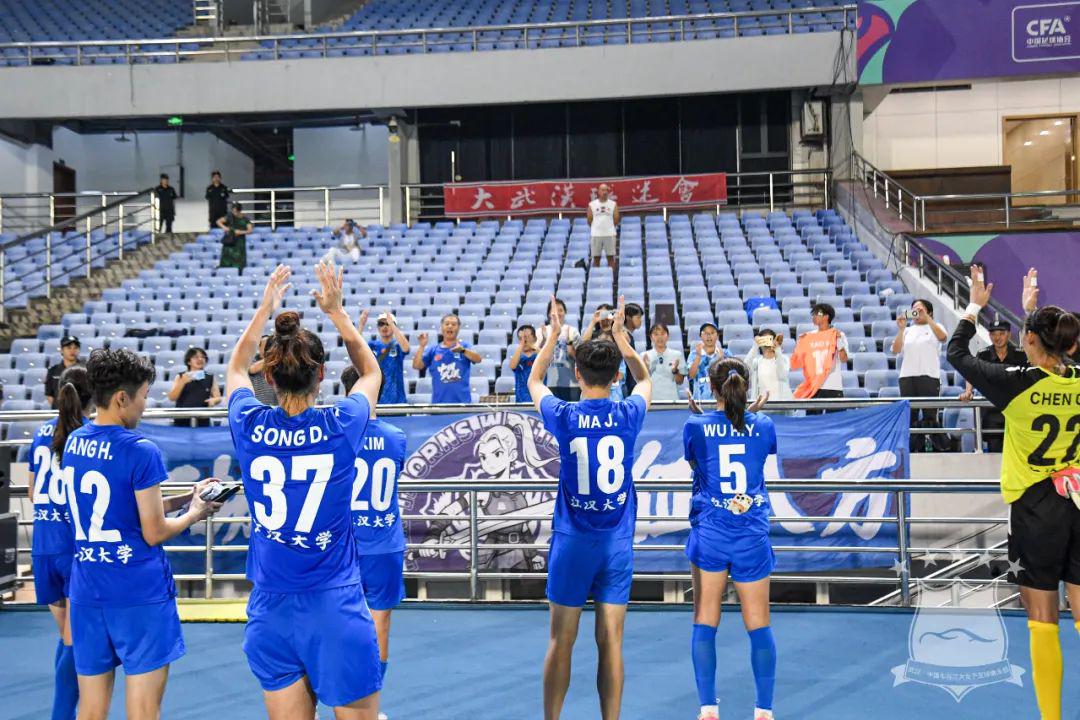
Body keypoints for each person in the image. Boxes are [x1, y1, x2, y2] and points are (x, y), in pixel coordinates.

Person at [226, 262, 384, 719]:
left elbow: (236, 368)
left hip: (270, 611)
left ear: (270, 378)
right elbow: (370, 374)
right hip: (335, 604)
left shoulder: (248, 424)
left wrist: (265, 310)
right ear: (322, 374)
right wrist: (337, 313)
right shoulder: (341, 424)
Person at [946, 266, 1080, 720]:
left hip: (1036, 508)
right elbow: (1056, 353)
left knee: (1043, 621)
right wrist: (1032, 313)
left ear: (1029, 340)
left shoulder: (1015, 383)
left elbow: (957, 352)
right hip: (1078, 500)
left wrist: (974, 306)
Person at [63, 349, 220, 720]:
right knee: (144, 711)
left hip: (87, 590)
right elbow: (154, 532)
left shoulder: (74, 442)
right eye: (144, 396)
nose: (145, 406)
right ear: (122, 397)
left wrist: (184, 498)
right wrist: (196, 512)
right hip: (137, 593)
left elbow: (122, 507)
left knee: (90, 710)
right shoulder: (140, 450)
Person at [529, 295, 652, 720]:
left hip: (572, 543)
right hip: (615, 545)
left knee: (560, 641)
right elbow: (645, 378)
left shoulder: (564, 415)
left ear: (578, 374)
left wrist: (551, 337)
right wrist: (622, 338)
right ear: (616, 377)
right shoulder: (629, 413)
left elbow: (535, 380)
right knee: (612, 642)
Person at [684, 358, 778, 720]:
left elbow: (699, 461)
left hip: (711, 532)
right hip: (750, 534)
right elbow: (750, 441)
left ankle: (708, 708)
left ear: (711, 387)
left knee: (705, 620)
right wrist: (750, 413)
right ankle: (763, 711)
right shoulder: (764, 424)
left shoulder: (695, 425)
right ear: (746, 386)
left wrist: (705, 417)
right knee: (759, 625)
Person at [340, 365, 406, 718]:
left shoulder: (337, 435)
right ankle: (371, 707)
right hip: (384, 543)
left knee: (333, 622)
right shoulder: (396, 437)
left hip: (343, 545)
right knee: (380, 623)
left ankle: (325, 699)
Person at [30, 366, 91, 720]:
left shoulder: (40, 431)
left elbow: (33, 490)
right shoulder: (87, 436)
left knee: (66, 636)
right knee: (75, 641)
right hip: (72, 545)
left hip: (42, 544)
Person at [959, 320, 1027, 452]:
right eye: (994, 334)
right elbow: (971, 373)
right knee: (994, 450)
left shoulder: (1020, 354)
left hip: (1015, 411)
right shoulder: (983, 354)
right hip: (991, 411)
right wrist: (968, 391)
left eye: (1001, 333)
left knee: (1017, 450)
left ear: (1009, 334)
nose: (997, 337)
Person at [892, 299, 948, 452]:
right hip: (907, 377)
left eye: (920, 309)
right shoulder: (908, 331)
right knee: (910, 415)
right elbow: (896, 350)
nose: (916, 312)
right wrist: (901, 329)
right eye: (914, 309)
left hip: (929, 376)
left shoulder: (935, 327)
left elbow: (943, 338)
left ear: (929, 312)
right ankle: (910, 449)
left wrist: (928, 318)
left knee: (930, 414)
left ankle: (933, 448)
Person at [413, 314, 481, 405]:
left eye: (453, 324)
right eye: (447, 324)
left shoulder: (465, 346)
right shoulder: (433, 350)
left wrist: (463, 350)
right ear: (441, 327)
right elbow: (417, 366)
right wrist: (421, 346)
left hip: (463, 404)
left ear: (458, 328)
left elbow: (478, 359)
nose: (450, 326)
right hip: (439, 405)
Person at [790, 303, 848, 407]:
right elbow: (798, 361)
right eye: (813, 314)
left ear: (827, 317)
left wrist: (839, 341)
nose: (814, 316)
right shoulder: (809, 336)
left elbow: (844, 359)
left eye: (817, 314)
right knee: (813, 417)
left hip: (833, 386)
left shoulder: (838, 335)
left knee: (836, 417)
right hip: (814, 387)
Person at [536, 298, 580, 402]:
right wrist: (544, 341)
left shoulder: (572, 331)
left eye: (560, 310)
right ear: (548, 314)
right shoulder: (541, 331)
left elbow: (580, 357)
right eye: (554, 310)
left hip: (571, 383)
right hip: (547, 383)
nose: (558, 313)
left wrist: (570, 344)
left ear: (565, 312)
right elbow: (537, 358)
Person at [166, 347, 221, 428]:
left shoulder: (210, 377)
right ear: (189, 361)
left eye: (203, 357)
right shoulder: (180, 376)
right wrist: (182, 383)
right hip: (182, 418)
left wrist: (214, 400)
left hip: (202, 418)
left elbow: (218, 397)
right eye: (196, 357)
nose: (200, 359)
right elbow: (172, 397)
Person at [365, 310, 410, 405]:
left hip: (397, 398)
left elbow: (406, 348)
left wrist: (392, 325)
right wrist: (361, 325)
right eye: (381, 324)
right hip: (377, 398)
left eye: (387, 324)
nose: (384, 327)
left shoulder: (398, 345)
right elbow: (357, 351)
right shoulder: (372, 345)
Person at [744, 329, 792, 404]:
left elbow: (782, 375)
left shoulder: (783, 359)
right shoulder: (756, 362)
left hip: (781, 404)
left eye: (769, 339)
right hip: (762, 405)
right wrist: (755, 347)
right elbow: (745, 368)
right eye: (764, 340)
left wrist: (777, 349)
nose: (767, 343)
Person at [642, 323, 686, 402]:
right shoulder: (644, 356)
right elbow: (641, 382)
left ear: (668, 336)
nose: (660, 337)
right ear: (651, 337)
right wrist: (646, 369)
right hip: (651, 400)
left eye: (662, 334)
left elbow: (680, 381)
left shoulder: (677, 355)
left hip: (671, 400)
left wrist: (675, 371)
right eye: (656, 334)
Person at [688, 322, 728, 401]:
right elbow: (691, 376)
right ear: (701, 336)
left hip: (721, 400)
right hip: (699, 400)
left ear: (717, 336)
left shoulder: (726, 353)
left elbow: (729, 376)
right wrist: (698, 356)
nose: (709, 336)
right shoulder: (693, 354)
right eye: (706, 333)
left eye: (712, 333)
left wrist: (722, 359)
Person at [587, 183, 619, 270]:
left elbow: (616, 219)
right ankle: (597, 277)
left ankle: (611, 277)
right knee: (596, 259)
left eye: (606, 190)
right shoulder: (592, 205)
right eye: (602, 190)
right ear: (598, 192)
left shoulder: (613, 204)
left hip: (610, 234)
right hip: (596, 235)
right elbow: (589, 220)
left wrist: (608, 227)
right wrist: (597, 228)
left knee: (611, 259)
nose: (605, 192)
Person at [45, 335, 82, 409]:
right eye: (69, 348)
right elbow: (49, 395)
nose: (72, 351)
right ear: (61, 350)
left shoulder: (85, 370)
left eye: (75, 348)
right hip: (59, 412)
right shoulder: (53, 371)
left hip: (80, 412)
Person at [217, 202, 253, 272]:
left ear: (239, 211)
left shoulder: (245, 219)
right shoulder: (229, 217)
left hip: (239, 242)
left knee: (239, 259)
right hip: (229, 241)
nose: (234, 213)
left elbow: (250, 230)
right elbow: (218, 221)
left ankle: (239, 272)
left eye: (236, 211)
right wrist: (224, 227)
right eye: (233, 211)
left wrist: (240, 232)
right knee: (226, 257)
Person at [508, 324, 538, 403]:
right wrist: (521, 345)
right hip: (521, 400)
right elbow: (512, 366)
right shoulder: (518, 357)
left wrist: (532, 345)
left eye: (527, 337)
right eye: (520, 338)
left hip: (538, 398)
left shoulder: (539, 354)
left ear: (535, 338)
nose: (524, 340)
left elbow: (547, 359)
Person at [247, 335, 279, 407]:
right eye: (265, 345)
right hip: (258, 404)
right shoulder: (252, 360)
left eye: (270, 345)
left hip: (274, 404)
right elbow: (252, 369)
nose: (268, 348)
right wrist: (274, 357)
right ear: (259, 347)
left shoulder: (276, 361)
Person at [622, 303, 644, 395]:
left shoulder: (628, 335)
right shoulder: (623, 335)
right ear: (628, 317)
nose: (640, 321)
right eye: (638, 317)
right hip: (624, 381)